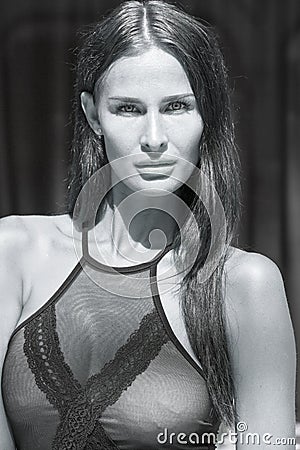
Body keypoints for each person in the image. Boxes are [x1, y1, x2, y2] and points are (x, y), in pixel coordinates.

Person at [0, 0, 296, 449]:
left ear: (206, 116)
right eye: (128, 109)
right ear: (93, 116)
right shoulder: (13, 252)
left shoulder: (243, 285)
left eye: (176, 106)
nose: (154, 138)